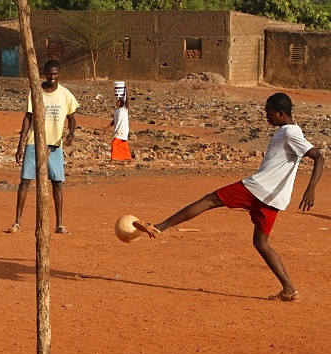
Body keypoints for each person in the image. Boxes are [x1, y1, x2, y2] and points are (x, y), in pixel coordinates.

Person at [134, 92, 324, 302]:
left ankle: (160, 227)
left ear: (280, 113)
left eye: (269, 114)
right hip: (272, 197)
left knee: (209, 200)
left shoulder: (290, 133)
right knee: (261, 243)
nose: (266, 117)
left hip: (258, 188)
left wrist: (310, 189)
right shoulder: (285, 132)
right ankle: (289, 289)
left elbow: (319, 157)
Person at [6, 59, 79, 234]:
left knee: (57, 183)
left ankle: (59, 224)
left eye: (55, 73)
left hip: (54, 144)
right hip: (34, 142)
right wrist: (20, 145)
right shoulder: (35, 92)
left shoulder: (65, 94)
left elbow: (72, 118)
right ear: (44, 73)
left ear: (59, 73)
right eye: (49, 73)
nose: (52, 76)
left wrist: (71, 133)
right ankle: (17, 222)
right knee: (25, 182)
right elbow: (27, 118)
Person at [106, 91, 132, 162]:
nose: (116, 102)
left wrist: (126, 88)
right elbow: (114, 121)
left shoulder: (124, 109)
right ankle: (128, 158)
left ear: (121, 102)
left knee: (114, 143)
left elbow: (128, 100)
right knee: (123, 145)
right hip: (118, 130)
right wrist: (106, 128)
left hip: (122, 130)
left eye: (118, 101)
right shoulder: (116, 111)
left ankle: (113, 159)